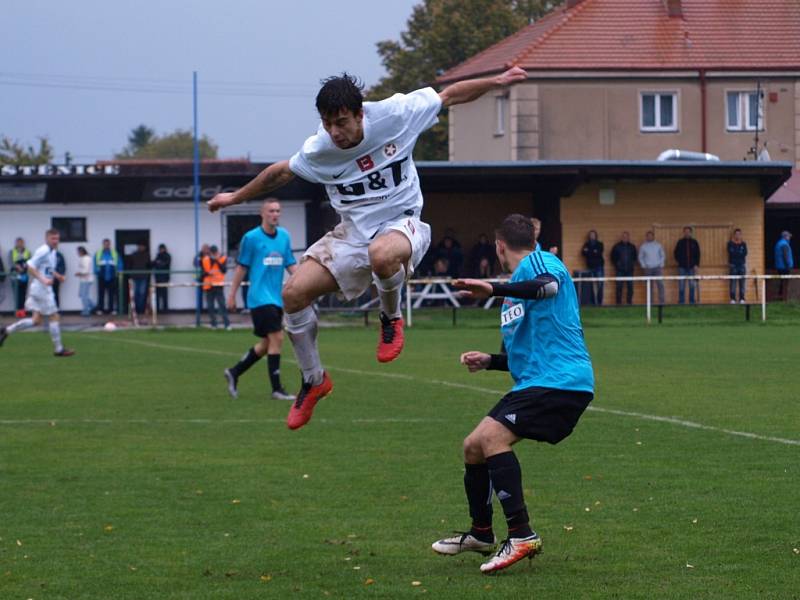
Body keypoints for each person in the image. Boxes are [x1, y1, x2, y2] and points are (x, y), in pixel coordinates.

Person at [207, 66, 528, 430]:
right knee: (293, 294)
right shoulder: (321, 149)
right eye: (328, 124)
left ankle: (390, 318)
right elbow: (279, 172)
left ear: (361, 113)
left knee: (382, 253)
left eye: (341, 122)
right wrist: (234, 197)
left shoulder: (395, 114)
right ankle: (314, 380)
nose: (335, 132)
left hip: (403, 223)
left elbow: (450, 95)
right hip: (352, 235)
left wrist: (497, 82)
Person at [431, 214, 594, 574]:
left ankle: (521, 534)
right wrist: (489, 361)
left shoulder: (540, 262)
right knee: (473, 446)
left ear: (498, 245)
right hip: (539, 381)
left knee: (491, 439)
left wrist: (493, 288)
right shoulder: (517, 285)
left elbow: (548, 287)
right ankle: (481, 533)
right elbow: (532, 351)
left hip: (560, 383)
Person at [224, 199, 298, 401]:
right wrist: (231, 295)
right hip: (259, 297)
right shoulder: (251, 238)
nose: (275, 214)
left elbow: (290, 263)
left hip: (276, 298)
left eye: (278, 210)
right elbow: (241, 267)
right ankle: (276, 389)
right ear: (262, 214)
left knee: (267, 344)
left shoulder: (284, 237)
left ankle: (234, 372)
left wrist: (306, 282)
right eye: (271, 210)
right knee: (278, 338)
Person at [0, 229, 75, 356]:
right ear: (46, 239)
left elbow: (48, 268)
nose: (56, 241)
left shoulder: (53, 252)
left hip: (39, 288)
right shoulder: (43, 250)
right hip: (42, 289)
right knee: (54, 316)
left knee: (36, 320)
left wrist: (58, 276)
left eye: (57, 238)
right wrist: (43, 279)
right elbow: (29, 267)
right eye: (53, 238)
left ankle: (6, 330)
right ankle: (59, 349)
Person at [201, 245, 230, 329]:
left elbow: (224, 270)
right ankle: (213, 324)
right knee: (210, 306)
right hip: (209, 285)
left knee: (222, 305)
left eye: (215, 253)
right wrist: (207, 273)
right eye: (212, 253)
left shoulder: (222, 258)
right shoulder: (205, 259)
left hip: (218, 285)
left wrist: (217, 260)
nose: (213, 254)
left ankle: (227, 324)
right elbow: (203, 272)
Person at [674, 226, 701, 304]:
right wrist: (680, 261)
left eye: (688, 232)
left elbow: (698, 254)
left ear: (691, 233)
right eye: (685, 232)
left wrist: (696, 265)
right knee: (681, 285)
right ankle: (681, 302)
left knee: (692, 285)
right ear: (683, 233)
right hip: (682, 267)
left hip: (692, 267)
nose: (687, 233)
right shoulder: (680, 242)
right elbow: (675, 253)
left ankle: (691, 301)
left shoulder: (694, 242)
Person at [638, 230, 665, 305]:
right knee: (649, 286)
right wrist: (644, 265)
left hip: (657, 268)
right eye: (648, 236)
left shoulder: (658, 245)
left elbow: (662, 255)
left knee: (660, 284)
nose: (649, 237)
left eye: (651, 236)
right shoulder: (643, 246)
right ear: (646, 237)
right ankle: (650, 302)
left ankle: (662, 302)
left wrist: (660, 265)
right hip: (648, 268)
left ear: (653, 236)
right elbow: (640, 257)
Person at [94, 239, 121, 314]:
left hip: (112, 276)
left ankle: (111, 309)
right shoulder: (99, 253)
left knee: (111, 294)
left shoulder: (114, 253)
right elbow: (95, 263)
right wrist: (96, 271)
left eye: (108, 244)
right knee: (101, 293)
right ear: (103, 244)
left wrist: (119, 271)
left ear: (110, 244)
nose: (106, 245)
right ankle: (100, 309)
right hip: (101, 275)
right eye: (105, 244)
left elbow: (119, 263)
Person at [611, 231, 637, 305]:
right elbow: (612, 257)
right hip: (620, 270)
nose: (625, 238)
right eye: (624, 237)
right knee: (619, 287)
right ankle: (618, 303)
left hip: (629, 270)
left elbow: (635, 257)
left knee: (630, 287)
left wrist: (632, 264)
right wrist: (617, 265)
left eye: (626, 237)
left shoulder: (632, 247)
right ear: (622, 238)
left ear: (628, 238)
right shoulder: (616, 246)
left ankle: (629, 303)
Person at [581, 230, 604, 305]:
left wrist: (589, 251)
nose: (592, 236)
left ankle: (600, 302)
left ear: (596, 236)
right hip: (590, 267)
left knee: (600, 285)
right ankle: (593, 302)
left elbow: (598, 253)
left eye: (593, 235)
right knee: (591, 285)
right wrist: (593, 251)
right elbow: (583, 253)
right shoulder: (586, 244)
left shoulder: (599, 244)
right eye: (591, 235)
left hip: (599, 267)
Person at [10, 238, 31, 317]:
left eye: (21, 242)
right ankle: (17, 311)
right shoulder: (12, 252)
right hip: (15, 276)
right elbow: (11, 262)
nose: (19, 244)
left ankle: (22, 311)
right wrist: (18, 267)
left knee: (23, 293)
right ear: (16, 243)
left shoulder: (27, 252)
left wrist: (24, 268)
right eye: (18, 243)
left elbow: (30, 262)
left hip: (24, 275)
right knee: (16, 294)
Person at [129, 243, 151, 316]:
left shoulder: (147, 255)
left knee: (142, 293)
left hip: (143, 276)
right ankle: (135, 310)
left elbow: (149, 265)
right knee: (135, 294)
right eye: (139, 246)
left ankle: (141, 309)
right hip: (135, 277)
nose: (141, 247)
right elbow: (130, 264)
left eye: (142, 246)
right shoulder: (134, 254)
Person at [727, 228, 748, 304]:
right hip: (733, 265)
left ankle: (742, 298)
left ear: (741, 235)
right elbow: (731, 253)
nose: (738, 235)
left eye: (739, 234)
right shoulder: (730, 244)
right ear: (734, 235)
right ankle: (733, 299)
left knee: (742, 282)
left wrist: (738, 254)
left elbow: (745, 253)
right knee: (733, 282)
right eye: (736, 234)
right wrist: (738, 253)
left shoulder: (743, 244)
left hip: (742, 265)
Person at [75, 246, 96, 316]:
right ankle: (93, 306)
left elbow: (86, 270)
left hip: (87, 279)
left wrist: (79, 273)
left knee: (84, 295)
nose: (77, 253)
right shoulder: (82, 258)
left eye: (78, 252)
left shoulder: (86, 258)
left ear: (81, 252)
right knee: (82, 294)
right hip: (83, 279)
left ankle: (86, 311)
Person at [152, 243, 172, 313]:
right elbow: (153, 263)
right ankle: (157, 309)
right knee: (157, 294)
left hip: (164, 277)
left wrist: (158, 263)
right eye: (160, 249)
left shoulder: (167, 256)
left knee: (164, 294)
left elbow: (165, 264)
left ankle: (165, 309)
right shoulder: (158, 255)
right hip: (158, 277)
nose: (161, 250)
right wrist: (157, 262)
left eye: (162, 249)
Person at [774, 230, 793, 301]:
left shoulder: (779, 243)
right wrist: (788, 266)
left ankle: (781, 297)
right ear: (785, 237)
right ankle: (783, 298)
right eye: (788, 236)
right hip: (784, 267)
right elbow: (786, 256)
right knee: (784, 283)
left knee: (782, 282)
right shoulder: (784, 245)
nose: (789, 238)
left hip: (780, 266)